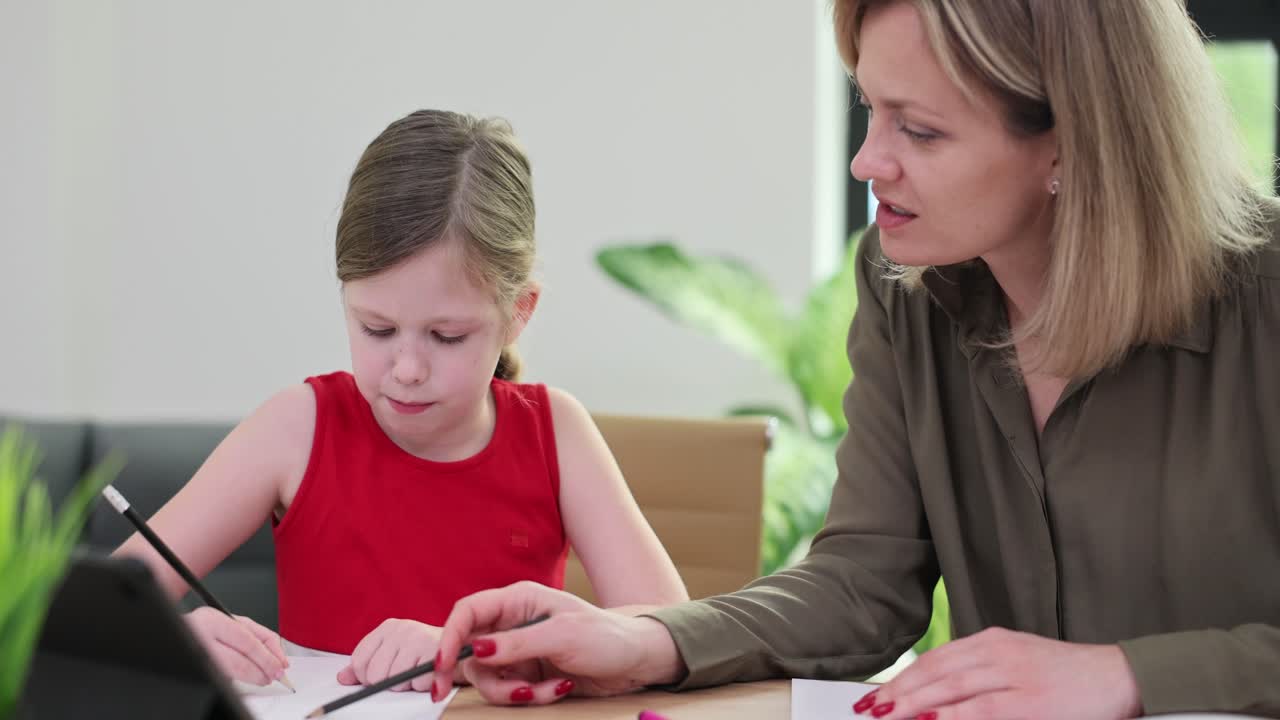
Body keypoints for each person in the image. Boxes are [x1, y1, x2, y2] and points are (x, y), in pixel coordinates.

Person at [428, 1, 1280, 717]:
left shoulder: (1264, 300)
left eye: (920, 130)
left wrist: (1127, 674)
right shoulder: (903, 285)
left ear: (1069, 144)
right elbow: (865, 584)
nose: (867, 161)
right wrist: (645, 636)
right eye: (869, 108)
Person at [113, 109, 687, 698]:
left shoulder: (555, 433)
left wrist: (466, 652)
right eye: (377, 329)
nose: (408, 370)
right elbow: (88, 616)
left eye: (447, 337)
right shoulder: (296, 428)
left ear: (518, 313)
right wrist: (172, 638)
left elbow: (674, 637)